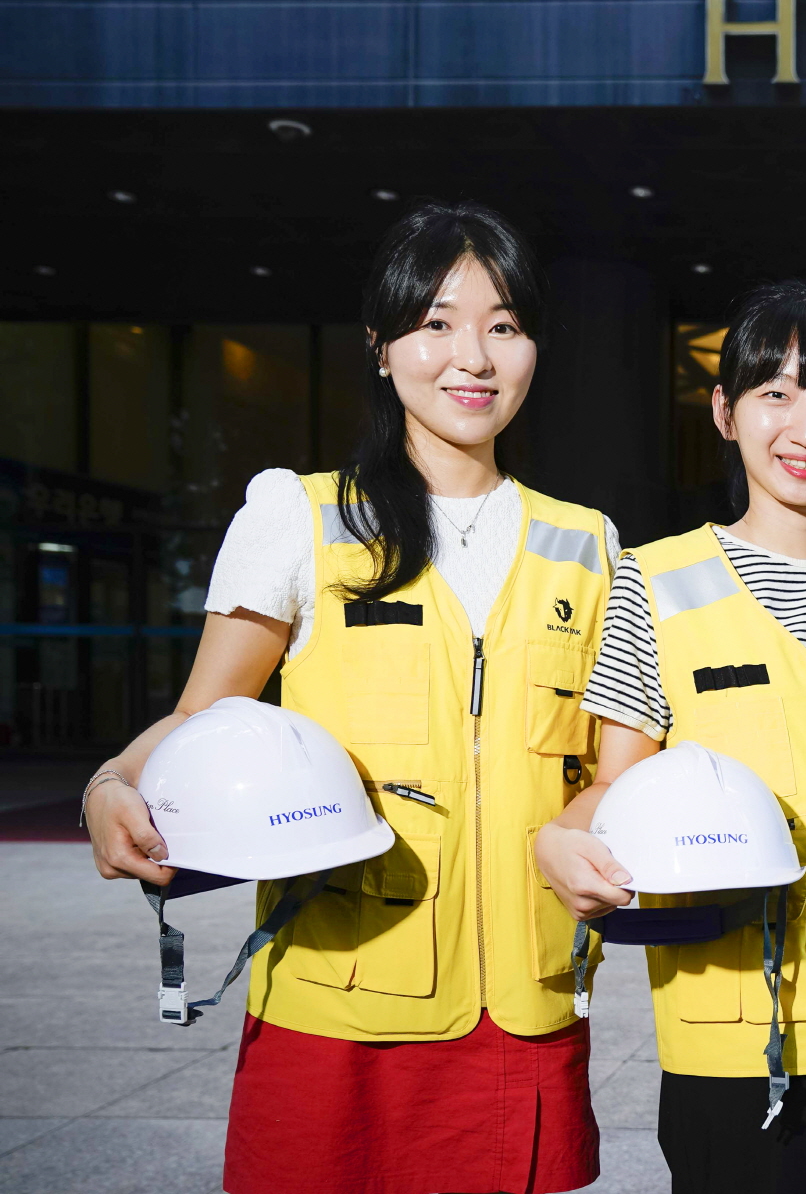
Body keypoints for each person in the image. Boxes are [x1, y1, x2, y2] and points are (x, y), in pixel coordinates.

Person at [79, 200, 617, 1194]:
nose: (473, 356)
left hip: (520, 1010)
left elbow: (607, 770)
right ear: (380, 344)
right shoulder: (300, 515)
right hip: (336, 1002)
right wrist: (108, 783)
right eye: (437, 322)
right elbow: (202, 716)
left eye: (504, 325)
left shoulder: (587, 544)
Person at [534, 280, 806, 1194]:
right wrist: (557, 838)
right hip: (740, 1038)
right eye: (776, 392)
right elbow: (615, 789)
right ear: (724, 412)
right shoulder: (655, 583)